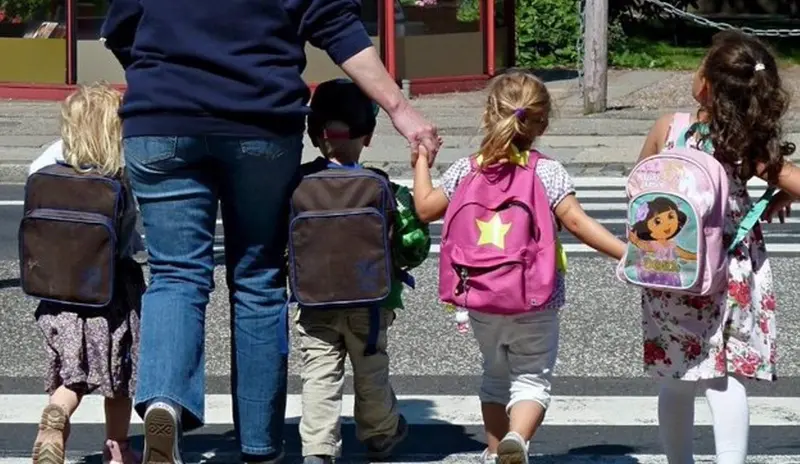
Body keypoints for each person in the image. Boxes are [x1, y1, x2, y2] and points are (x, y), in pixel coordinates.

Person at [99, 0, 440, 461]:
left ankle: (165, 401)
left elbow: (121, 29)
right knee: (258, 276)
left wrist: (166, 77)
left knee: (176, 274)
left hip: (161, 119)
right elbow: (338, 26)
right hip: (257, 121)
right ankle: (260, 445)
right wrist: (400, 109)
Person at [412, 70, 626, 464]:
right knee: (531, 378)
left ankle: (496, 453)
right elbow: (578, 223)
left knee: (494, 377)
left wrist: (422, 161)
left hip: (478, 295)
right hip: (535, 299)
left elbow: (424, 208)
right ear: (541, 123)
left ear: (490, 114)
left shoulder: (466, 169)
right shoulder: (546, 172)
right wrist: (628, 255)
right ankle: (517, 439)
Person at [636, 30, 797, 464]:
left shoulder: (669, 128)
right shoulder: (744, 142)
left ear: (705, 82)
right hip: (728, 269)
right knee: (723, 378)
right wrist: (780, 194)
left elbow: (640, 183)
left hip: (671, 269)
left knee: (675, 378)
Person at [294, 79, 430, 464]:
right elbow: (413, 245)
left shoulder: (297, 184)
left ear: (314, 133)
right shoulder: (382, 187)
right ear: (368, 137)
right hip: (370, 303)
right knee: (371, 369)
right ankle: (380, 433)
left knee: (320, 372)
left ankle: (318, 448)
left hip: (314, 299)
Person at [29, 83, 144, 464]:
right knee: (119, 374)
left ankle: (56, 417)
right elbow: (128, 239)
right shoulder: (120, 173)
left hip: (57, 290)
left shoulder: (45, 165)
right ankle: (118, 448)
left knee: (71, 370)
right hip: (110, 292)